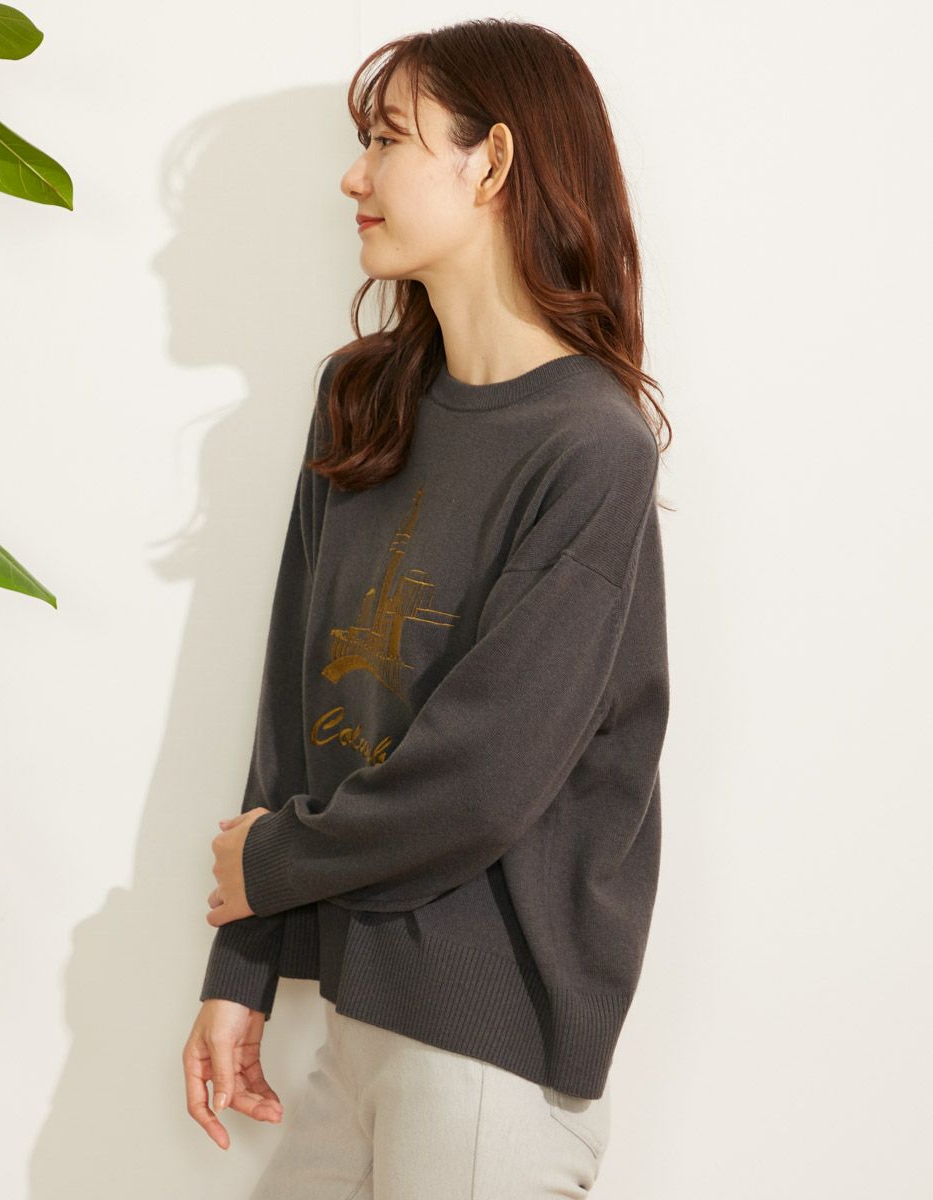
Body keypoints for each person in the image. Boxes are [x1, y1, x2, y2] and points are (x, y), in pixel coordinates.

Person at [182, 17, 672, 1198]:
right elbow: (294, 705)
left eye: (388, 139)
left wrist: (272, 865)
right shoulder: (364, 402)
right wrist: (240, 969)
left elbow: (483, 777)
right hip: (358, 1023)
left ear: (491, 162)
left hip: (486, 1054)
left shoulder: (589, 447)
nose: (353, 178)